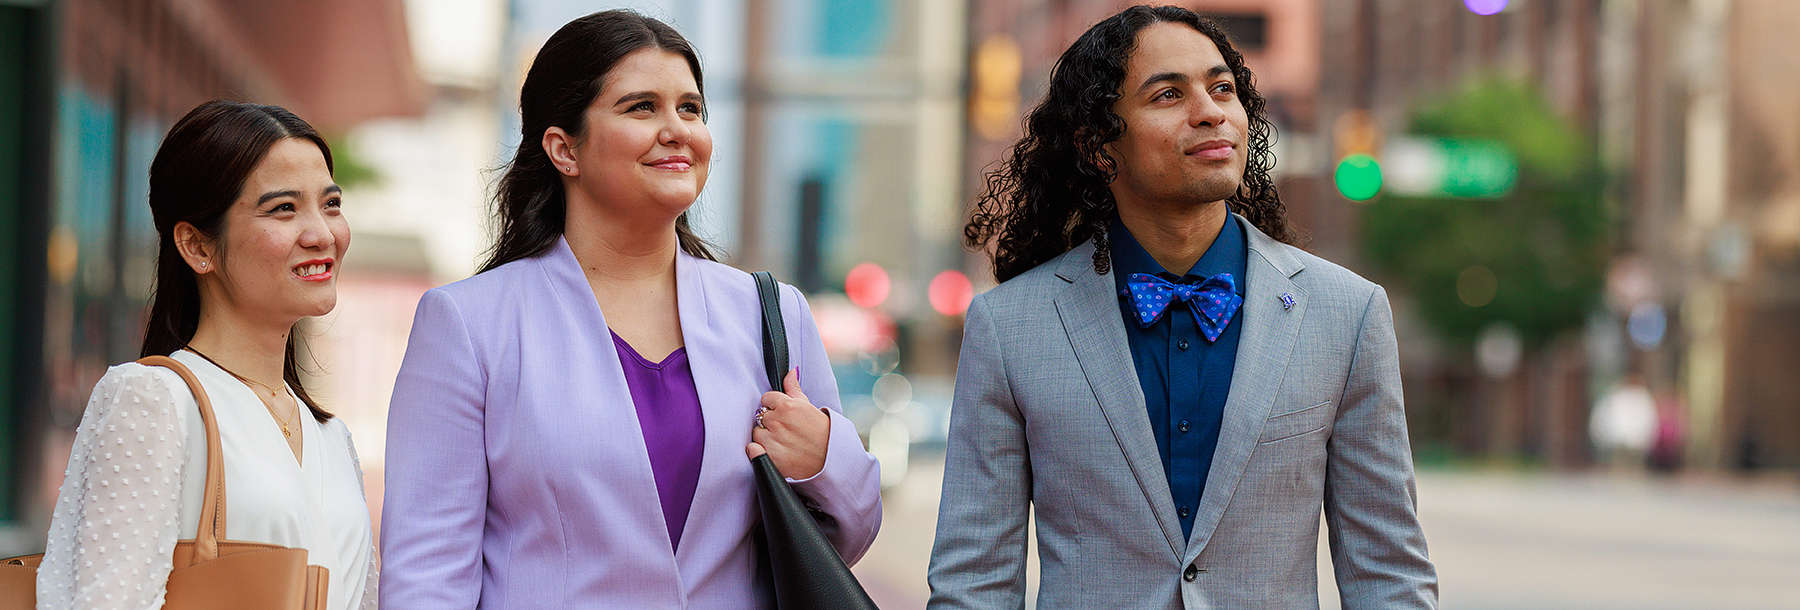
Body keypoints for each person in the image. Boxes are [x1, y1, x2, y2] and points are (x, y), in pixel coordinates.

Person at [929, 6, 1438, 609]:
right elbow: (973, 583)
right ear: (1098, 145)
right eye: (1169, 94)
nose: (1210, 111)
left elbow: (1389, 577)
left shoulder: (1346, 316)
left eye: (1222, 88)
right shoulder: (1010, 328)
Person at [378, 10, 881, 608]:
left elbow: (844, 534)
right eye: (641, 107)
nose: (677, 130)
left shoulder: (772, 314)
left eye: (690, 108)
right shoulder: (469, 324)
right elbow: (426, 574)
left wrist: (823, 457)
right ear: (564, 149)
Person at [36, 100, 375, 609]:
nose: (323, 234)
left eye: (330, 204)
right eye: (284, 208)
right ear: (197, 246)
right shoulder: (155, 401)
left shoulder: (333, 438)